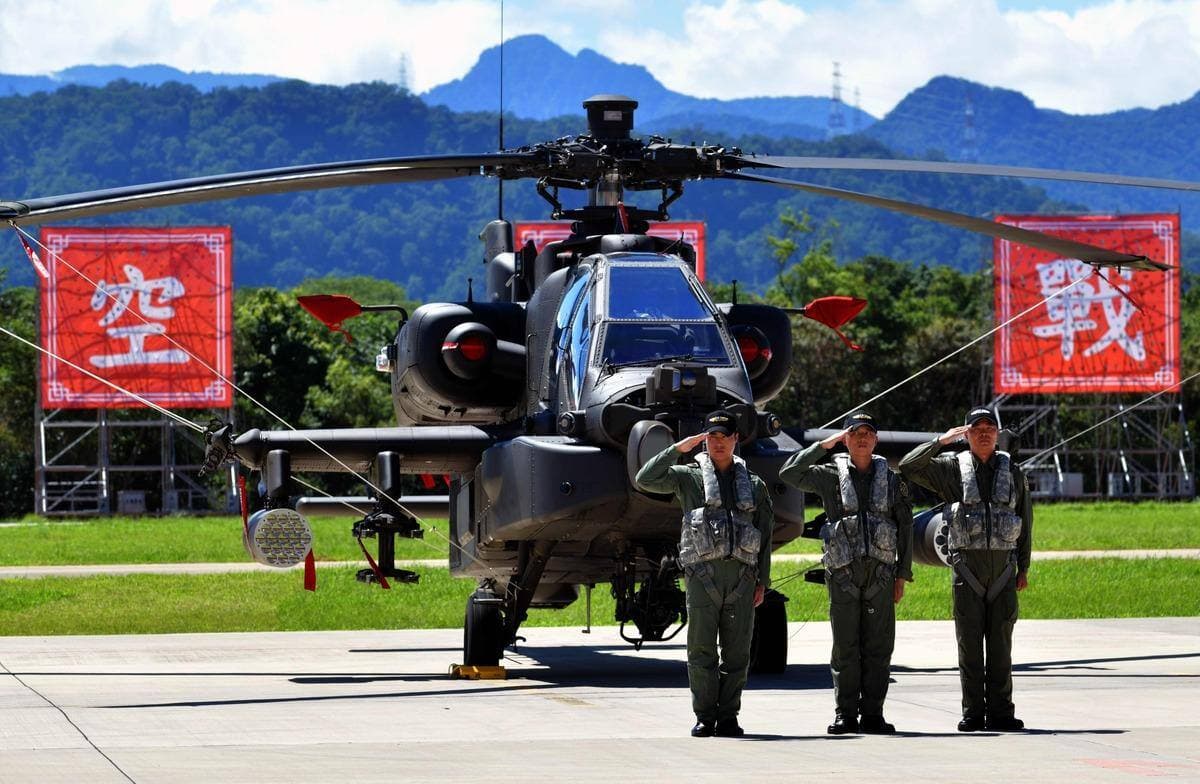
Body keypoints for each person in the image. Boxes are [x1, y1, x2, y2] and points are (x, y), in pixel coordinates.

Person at [635, 409, 774, 738]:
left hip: (741, 579)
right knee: (700, 650)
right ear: (704, 441)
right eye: (712, 437)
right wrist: (678, 449)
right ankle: (704, 715)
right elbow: (645, 478)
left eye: (725, 436)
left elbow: (764, 535)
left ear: (736, 440)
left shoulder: (753, 485)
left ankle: (728, 716)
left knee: (738, 652)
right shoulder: (688, 477)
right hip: (703, 578)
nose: (719, 443)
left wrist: (762, 581)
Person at [899, 406, 1032, 733]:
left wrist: (1023, 568)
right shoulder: (950, 470)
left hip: (1003, 571)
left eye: (989, 428)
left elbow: (1025, 521)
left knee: (1001, 648)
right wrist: (942, 441)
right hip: (966, 573)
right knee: (969, 647)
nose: (984, 433)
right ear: (967, 434)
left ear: (997, 435)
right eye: (976, 429)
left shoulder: (1012, 472)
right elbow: (908, 466)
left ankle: (1002, 712)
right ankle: (973, 713)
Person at [779, 410, 913, 735]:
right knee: (845, 647)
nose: (862, 438)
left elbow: (905, 526)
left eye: (868, 433)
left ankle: (873, 715)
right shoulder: (828, 476)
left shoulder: (892, 480)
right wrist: (822, 446)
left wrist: (901, 574)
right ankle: (845, 713)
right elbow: (789, 472)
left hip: (880, 575)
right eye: (854, 433)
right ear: (846, 440)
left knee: (879, 647)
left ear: (876, 439)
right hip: (843, 574)